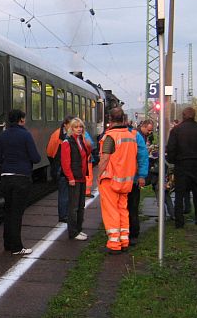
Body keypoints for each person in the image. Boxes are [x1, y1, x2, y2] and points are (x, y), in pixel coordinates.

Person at [0, 109, 41, 255]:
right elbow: (35, 158)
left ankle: (7, 244)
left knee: (8, 211)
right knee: (17, 213)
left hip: (6, 177)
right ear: (21, 119)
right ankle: (16, 247)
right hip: (21, 177)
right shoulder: (25, 135)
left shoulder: (3, 135)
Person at [97, 107, 138, 254]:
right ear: (123, 119)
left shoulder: (110, 137)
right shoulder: (131, 135)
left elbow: (105, 158)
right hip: (126, 181)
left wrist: (99, 175)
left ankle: (114, 244)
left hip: (111, 179)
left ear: (110, 120)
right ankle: (124, 240)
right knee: (123, 209)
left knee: (111, 211)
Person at [167, 107, 197, 228]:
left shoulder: (176, 130)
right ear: (194, 116)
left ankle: (179, 221)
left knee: (179, 195)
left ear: (183, 115)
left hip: (181, 165)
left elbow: (171, 149)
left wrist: (173, 160)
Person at [60, 118, 91, 240]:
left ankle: (78, 229)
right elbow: (65, 162)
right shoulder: (67, 142)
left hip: (81, 177)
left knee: (80, 205)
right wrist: (70, 177)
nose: (79, 129)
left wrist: (88, 147)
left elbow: (85, 156)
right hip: (74, 178)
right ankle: (73, 232)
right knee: (73, 207)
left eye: (81, 127)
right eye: (76, 127)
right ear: (71, 129)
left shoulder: (81, 141)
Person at [126, 120, 151, 246]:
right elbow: (143, 156)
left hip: (119, 180)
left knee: (123, 208)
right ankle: (133, 234)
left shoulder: (111, 134)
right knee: (133, 208)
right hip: (133, 179)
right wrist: (141, 176)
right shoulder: (136, 136)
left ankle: (124, 234)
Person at [46, 115, 74, 222]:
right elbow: (50, 152)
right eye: (71, 126)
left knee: (67, 193)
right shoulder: (57, 135)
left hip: (67, 167)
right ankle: (64, 216)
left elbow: (49, 152)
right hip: (61, 168)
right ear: (65, 124)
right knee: (64, 193)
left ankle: (67, 214)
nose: (74, 128)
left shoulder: (60, 134)